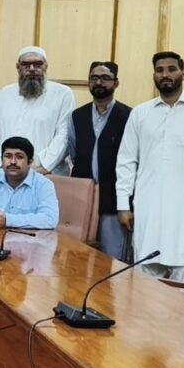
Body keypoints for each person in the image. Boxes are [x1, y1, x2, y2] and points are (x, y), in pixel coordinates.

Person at [116, 52, 184, 284]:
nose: (165, 74)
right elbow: (126, 161)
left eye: (171, 69)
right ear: (153, 75)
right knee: (144, 280)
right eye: (160, 70)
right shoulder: (140, 113)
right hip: (147, 209)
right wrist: (123, 205)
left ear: (183, 73)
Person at [68, 62, 132, 260]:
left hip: (113, 198)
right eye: (94, 78)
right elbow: (74, 153)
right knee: (77, 256)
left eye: (105, 78)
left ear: (116, 82)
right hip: (83, 197)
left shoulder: (129, 116)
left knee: (112, 259)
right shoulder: (77, 116)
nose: (99, 82)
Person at [0, 46, 75, 175]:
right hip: (7, 174)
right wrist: (2, 167)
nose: (32, 69)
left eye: (38, 64)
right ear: (18, 67)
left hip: (47, 173)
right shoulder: (4, 94)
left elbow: (64, 135)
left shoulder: (62, 94)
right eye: (26, 64)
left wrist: (40, 166)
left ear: (46, 66)